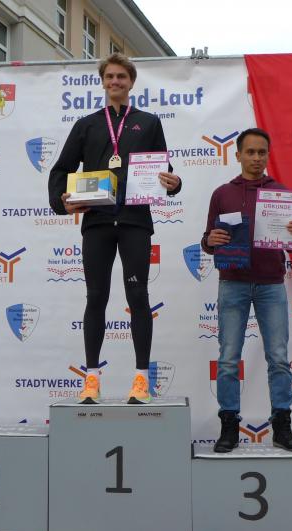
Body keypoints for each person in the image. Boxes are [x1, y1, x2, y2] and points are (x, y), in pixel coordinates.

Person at [48, 53, 182, 404]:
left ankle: (141, 380)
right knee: (96, 297)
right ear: (103, 82)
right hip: (97, 222)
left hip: (135, 222)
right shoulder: (87, 124)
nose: (115, 82)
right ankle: (91, 379)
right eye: (110, 76)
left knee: (138, 296)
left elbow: (163, 170)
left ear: (131, 82)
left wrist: (174, 183)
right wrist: (62, 200)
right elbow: (61, 169)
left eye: (121, 76)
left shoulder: (149, 123)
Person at [201, 128, 292, 453]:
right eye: (250, 152)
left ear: (268, 155)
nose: (256, 158)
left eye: (262, 152)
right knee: (228, 359)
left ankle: (282, 427)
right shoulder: (222, 194)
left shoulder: (282, 194)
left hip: (271, 284)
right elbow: (208, 239)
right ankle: (229, 426)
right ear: (238, 155)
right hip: (232, 282)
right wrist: (210, 240)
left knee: (279, 358)